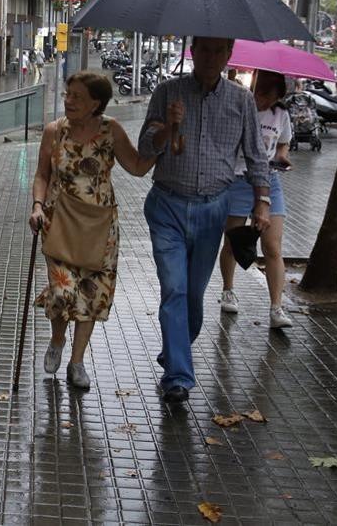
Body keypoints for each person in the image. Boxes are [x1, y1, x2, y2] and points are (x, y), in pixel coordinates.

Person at [138, 36, 271, 404]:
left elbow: (257, 156)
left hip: (214, 209)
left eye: (219, 50)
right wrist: (168, 126)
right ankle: (178, 376)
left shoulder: (241, 100)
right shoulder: (168, 92)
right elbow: (146, 146)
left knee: (194, 296)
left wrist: (262, 200)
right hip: (168, 205)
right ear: (192, 51)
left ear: (229, 54)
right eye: (204, 49)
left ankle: (175, 347)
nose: (211, 57)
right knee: (175, 289)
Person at [28, 72, 155, 389]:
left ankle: (77, 362)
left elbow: (138, 167)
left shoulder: (111, 131)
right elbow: (42, 175)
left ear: (95, 104)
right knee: (63, 290)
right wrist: (37, 206)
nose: (68, 101)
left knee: (91, 294)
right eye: (67, 94)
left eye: (77, 97)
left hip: (100, 227)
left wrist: (165, 139)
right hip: (59, 221)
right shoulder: (54, 132)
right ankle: (58, 339)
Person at [218, 70, 294, 329]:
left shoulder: (280, 115)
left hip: (271, 181)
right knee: (233, 241)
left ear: (278, 96)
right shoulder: (240, 109)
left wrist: (282, 156)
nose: (261, 100)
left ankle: (277, 307)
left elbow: (283, 143)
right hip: (238, 180)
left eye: (268, 96)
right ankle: (228, 289)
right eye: (259, 93)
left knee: (272, 246)